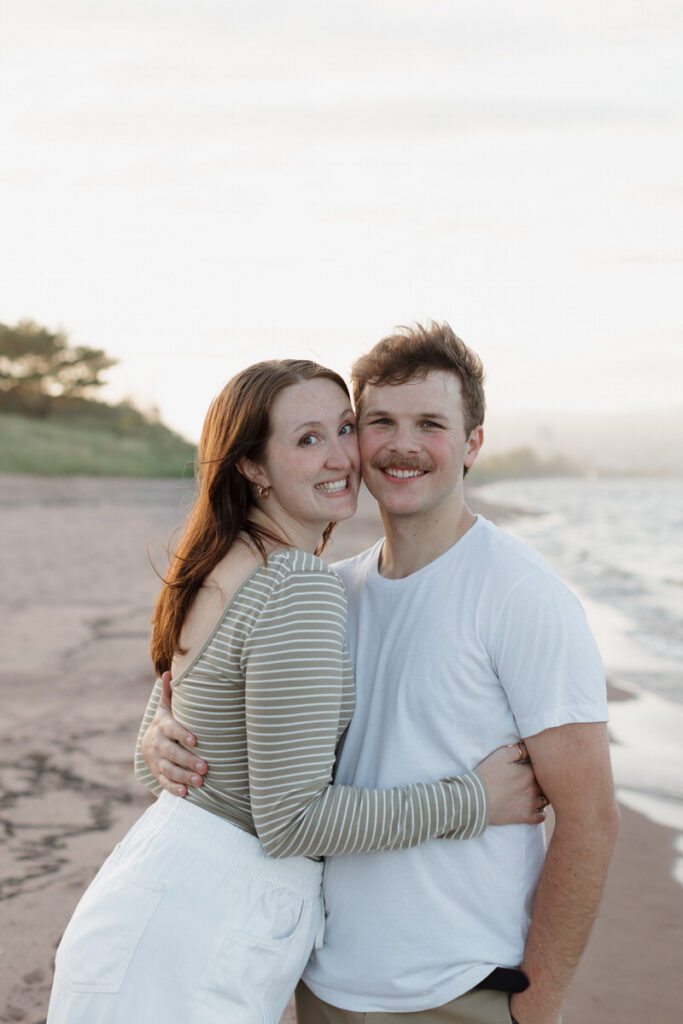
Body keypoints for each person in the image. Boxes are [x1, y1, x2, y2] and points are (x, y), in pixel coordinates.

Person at [144, 324, 619, 1024]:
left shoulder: (520, 594)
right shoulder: (330, 593)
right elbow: (211, 688)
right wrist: (155, 729)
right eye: (378, 423)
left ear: (471, 443)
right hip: (320, 980)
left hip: (460, 989)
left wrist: (536, 1002)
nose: (402, 445)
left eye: (429, 423)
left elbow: (591, 817)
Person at [47, 357, 544, 1024]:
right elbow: (291, 822)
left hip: (159, 888)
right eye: (307, 439)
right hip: (201, 925)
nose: (340, 456)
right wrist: (474, 801)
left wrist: (152, 735)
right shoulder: (298, 587)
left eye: (344, 428)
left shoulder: (223, 562)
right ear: (252, 466)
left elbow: (171, 738)